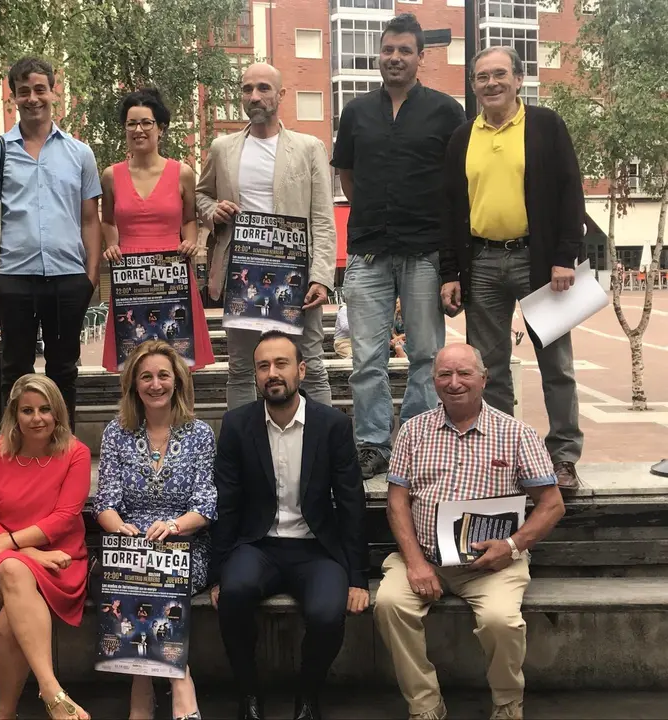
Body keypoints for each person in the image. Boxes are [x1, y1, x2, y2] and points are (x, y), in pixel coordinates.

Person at [375, 343, 566, 720]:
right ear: (433, 381)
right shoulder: (413, 431)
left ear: (484, 378)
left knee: (500, 621)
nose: (454, 382)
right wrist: (416, 563)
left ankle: (507, 704)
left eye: (464, 373)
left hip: (491, 565)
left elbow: (552, 504)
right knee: (389, 604)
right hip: (425, 557)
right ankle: (425, 704)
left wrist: (512, 546)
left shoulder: (516, 433)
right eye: (444, 374)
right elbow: (397, 503)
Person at [440, 46, 585, 490]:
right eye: (482, 77)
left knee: (556, 365)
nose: (491, 83)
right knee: (490, 369)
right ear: (473, 85)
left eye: (500, 74)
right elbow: (450, 209)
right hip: (481, 262)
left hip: (539, 263)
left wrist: (565, 256)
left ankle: (563, 456)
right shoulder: (462, 138)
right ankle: (503, 458)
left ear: (519, 79)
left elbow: (570, 192)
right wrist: (450, 271)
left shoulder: (545, 126)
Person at [331, 13, 466, 479]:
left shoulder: (446, 111)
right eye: (388, 49)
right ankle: (372, 443)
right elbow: (348, 175)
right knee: (366, 357)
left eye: (405, 50)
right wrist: (372, 211)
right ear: (379, 54)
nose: (395, 57)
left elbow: (457, 183)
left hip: (425, 252)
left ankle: (414, 441)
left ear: (420, 57)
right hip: (368, 251)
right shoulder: (356, 112)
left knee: (426, 356)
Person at [211, 331, 369, 720]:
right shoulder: (237, 425)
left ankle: (307, 696)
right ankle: (249, 695)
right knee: (233, 595)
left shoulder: (332, 425)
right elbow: (226, 503)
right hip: (258, 545)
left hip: (315, 548)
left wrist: (358, 578)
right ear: (255, 375)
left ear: (301, 370)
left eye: (281, 364)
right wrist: (218, 573)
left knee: (328, 613)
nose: (272, 373)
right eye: (263, 366)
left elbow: (351, 502)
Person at [0, 56, 102, 430]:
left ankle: (64, 449)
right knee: (15, 371)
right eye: (23, 91)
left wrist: (90, 277)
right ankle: (15, 449)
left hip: (68, 278)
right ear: (13, 97)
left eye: (40, 89)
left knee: (64, 370)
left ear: (53, 92)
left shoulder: (79, 153)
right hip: (14, 279)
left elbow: (90, 219)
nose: (32, 98)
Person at [196, 62, 337, 410]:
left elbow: (323, 218)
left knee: (311, 366)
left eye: (263, 88)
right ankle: (243, 440)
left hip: (296, 275)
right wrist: (213, 211)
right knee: (241, 369)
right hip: (242, 273)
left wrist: (321, 277)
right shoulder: (222, 148)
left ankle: (322, 439)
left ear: (281, 94)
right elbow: (201, 195)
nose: (254, 96)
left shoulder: (309, 147)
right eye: (247, 89)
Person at [94, 340, 217, 720]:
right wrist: (122, 529)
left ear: (177, 381)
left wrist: (176, 525)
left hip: (184, 545)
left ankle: (145, 690)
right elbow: (105, 503)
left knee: (152, 578)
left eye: (164, 375)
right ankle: (178, 682)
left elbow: (206, 504)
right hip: (130, 544)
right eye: (146, 376)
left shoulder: (199, 433)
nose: (155, 384)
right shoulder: (116, 432)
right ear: (133, 384)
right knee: (136, 572)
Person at [0, 374, 92, 720]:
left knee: (11, 617)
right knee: (13, 570)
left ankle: (5, 714)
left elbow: (64, 519)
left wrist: (11, 544)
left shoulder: (76, 453)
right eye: (27, 410)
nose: (37, 418)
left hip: (59, 561)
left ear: (58, 412)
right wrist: (27, 552)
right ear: (14, 414)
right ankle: (52, 691)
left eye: (45, 409)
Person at [101, 88, 215, 373]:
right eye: (131, 123)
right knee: (133, 359)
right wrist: (112, 244)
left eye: (146, 123)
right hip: (130, 273)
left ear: (160, 128)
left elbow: (189, 219)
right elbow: (108, 221)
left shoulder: (182, 173)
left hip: (172, 270)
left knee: (178, 359)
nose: (138, 130)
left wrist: (190, 241)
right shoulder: (111, 175)